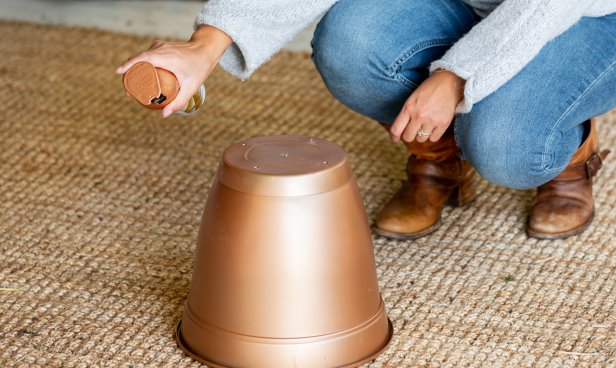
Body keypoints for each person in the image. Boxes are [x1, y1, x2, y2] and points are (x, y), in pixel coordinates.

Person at [117, 0, 616, 240]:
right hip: (471, 5)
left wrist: (456, 77)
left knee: (505, 142)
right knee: (351, 44)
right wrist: (207, 46)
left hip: (585, 16)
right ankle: (440, 154)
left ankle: (570, 149)